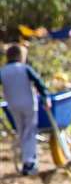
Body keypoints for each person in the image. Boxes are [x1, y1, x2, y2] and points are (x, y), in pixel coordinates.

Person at [2, 44, 46, 175]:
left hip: (13, 106)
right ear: (21, 57)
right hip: (28, 104)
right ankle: (29, 162)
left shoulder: (3, 71)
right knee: (30, 131)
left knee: (22, 132)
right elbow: (39, 82)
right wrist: (46, 97)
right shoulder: (24, 68)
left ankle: (26, 159)